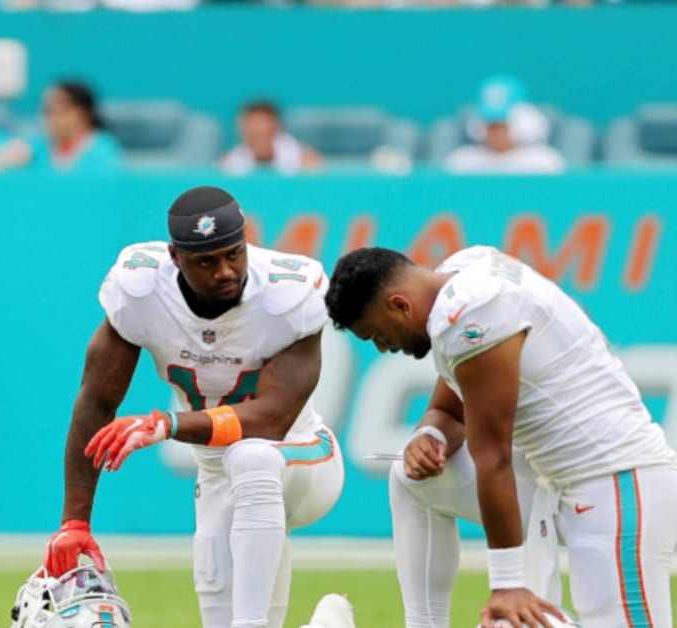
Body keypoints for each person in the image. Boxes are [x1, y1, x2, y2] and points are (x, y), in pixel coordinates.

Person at [325, 245, 677, 628]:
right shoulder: (462, 273)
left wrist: (507, 584)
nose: (383, 348)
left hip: (619, 484)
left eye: (378, 334)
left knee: (519, 619)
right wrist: (429, 436)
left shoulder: (471, 313)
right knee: (411, 478)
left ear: (400, 306)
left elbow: (492, 456)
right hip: (557, 488)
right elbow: (448, 411)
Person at [46, 185, 344, 628]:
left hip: (300, 458)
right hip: (217, 474)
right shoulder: (142, 289)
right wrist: (75, 523)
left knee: (252, 454)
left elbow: (274, 417)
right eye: (206, 261)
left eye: (233, 254)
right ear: (174, 257)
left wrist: (168, 424)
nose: (225, 271)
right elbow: (96, 400)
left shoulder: (289, 292)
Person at [443, 75, 565, 175]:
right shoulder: (461, 162)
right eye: (490, 126)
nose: (495, 133)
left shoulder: (545, 163)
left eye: (502, 126)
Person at [33, 81, 122, 174]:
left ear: (84, 113)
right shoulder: (38, 148)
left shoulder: (103, 151)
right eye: (49, 111)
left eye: (62, 111)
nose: (53, 118)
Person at [220, 101, 323, 176]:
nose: (259, 141)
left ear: (277, 129)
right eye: (252, 135)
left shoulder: (307, 161)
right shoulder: (228, 164)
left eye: (265, 134)